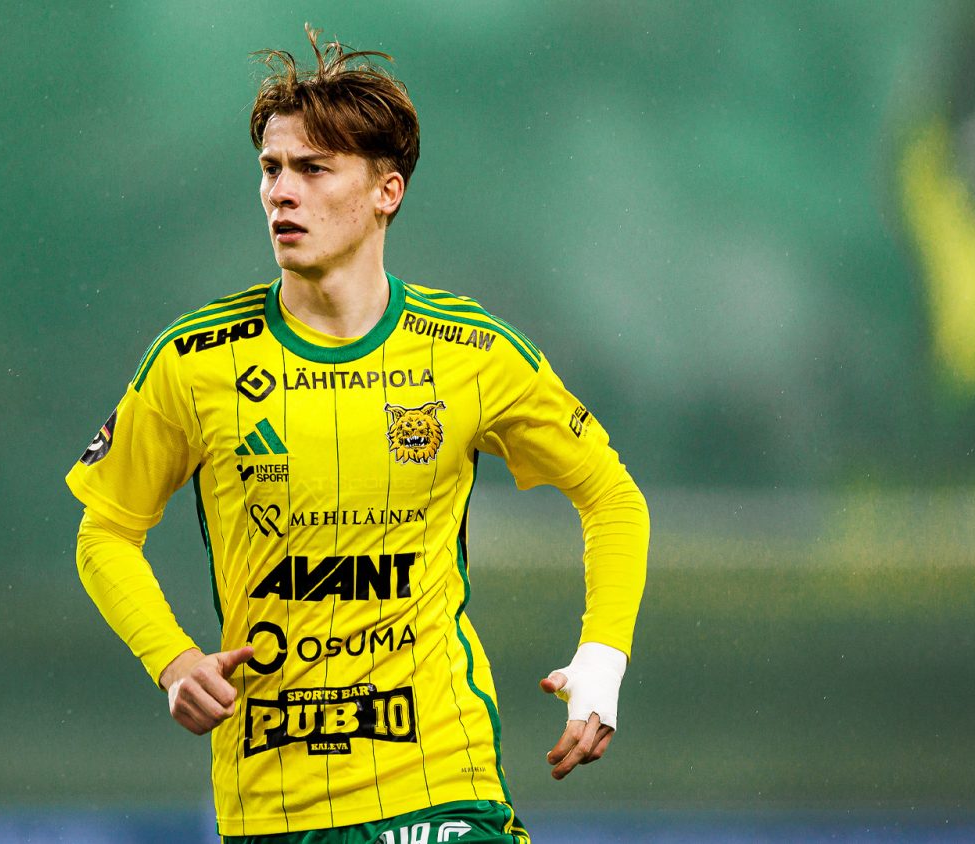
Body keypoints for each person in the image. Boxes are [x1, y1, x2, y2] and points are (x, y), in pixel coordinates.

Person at [67, 26, 649, 843]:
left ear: (386, 191)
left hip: (442, 784)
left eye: (312, 169)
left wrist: (603, 658)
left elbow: (611, 496)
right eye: (271, 169)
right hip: (275, 804)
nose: (281, 192)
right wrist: (171, 659)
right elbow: (105, 532)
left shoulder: (470, 351)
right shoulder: (193, 360)